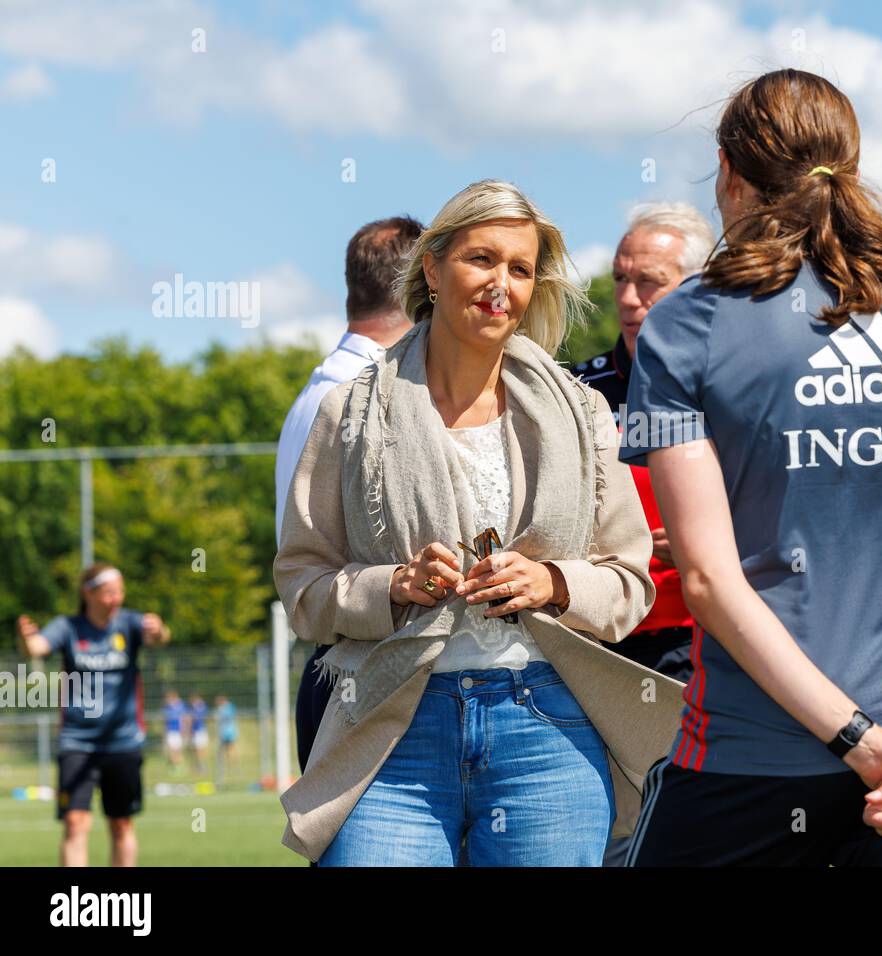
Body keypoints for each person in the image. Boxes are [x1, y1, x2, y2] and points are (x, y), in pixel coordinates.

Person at [620, 69, 882, 866]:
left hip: (753, 767)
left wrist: (862, 742)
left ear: (727, 172)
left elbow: (710, 580)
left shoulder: (688, 322)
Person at [274, 179, 677, 866]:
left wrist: (551, 582)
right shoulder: (349, 414)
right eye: (481, 259)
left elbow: (629, 583)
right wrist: (394, 585)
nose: (501, 283)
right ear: (431, 268)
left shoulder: (581, 416)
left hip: (547, 728)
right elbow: (302, 587)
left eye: (520, 269)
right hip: (390, 728)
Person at [573, 201, 714, 867]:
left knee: (691, 829)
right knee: (609, 835)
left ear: (697, 282)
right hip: (601, 644)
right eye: (620, 280)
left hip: (707, 644)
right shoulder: (578, 393)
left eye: (648, 281)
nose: (628, 299)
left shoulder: (736, 381)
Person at [274, 215, 423, 776]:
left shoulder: (320, 389)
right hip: (362, 666)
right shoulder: (361, 395)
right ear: (421, 286)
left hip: (341, 663)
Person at [14, 563, 173, 866]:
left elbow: (160, 638)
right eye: (109, 592)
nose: (117, 598)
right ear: (88, 593)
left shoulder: (129, 624)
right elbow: (35, 647)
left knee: (121, 824)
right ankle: (77, 904)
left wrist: (159, 628)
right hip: (77, 741)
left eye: (120, 592)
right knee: (75, 823)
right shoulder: (68, 628)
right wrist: (25, 638)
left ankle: (122, 904)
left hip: (123, 742)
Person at [161, 690, 186, 773]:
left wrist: (184, 730)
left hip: (178, 731)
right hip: (170, 731)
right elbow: (165, 721)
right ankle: (175, 766)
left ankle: (178, 766)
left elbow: (184, 719)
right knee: (172, 749)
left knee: (178, 749)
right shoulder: (167, 707)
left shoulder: (181, 706)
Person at [187, 693, 209, 775]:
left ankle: (201, 766)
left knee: (200, 750)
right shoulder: (193, 708)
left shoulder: (201, 707)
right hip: (196, 732)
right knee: (197, 750)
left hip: (200, 731)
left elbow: (196, 717)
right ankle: (199, 766)